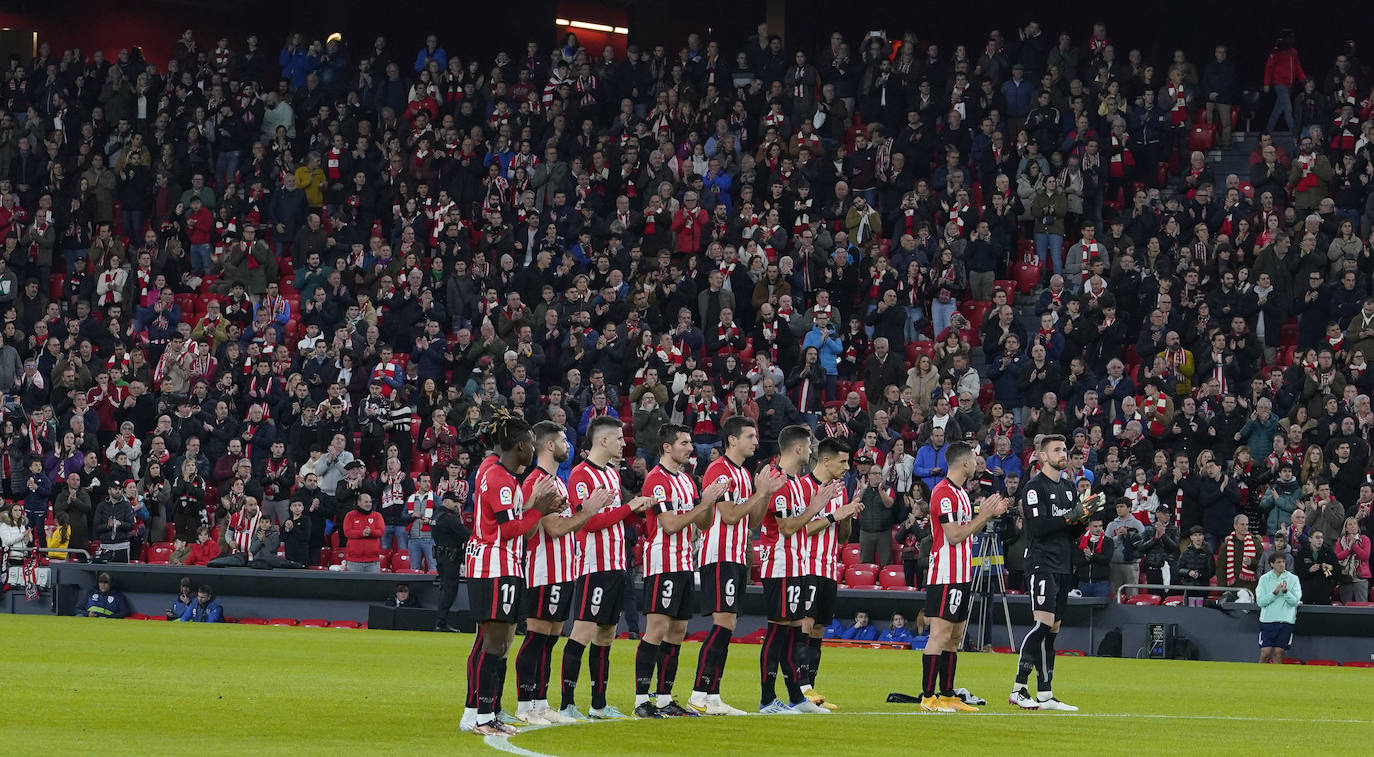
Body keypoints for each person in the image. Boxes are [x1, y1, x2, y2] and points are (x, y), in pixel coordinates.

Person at [462, 409, 561, 736]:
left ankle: (478, 711)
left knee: (492, 642)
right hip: (496, 563)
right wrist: (538, 509)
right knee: (496, 643)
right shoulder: (501, 479)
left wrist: (533, 506)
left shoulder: (491, 468)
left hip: (495, 562)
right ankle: (483, 717)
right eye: (531, 445)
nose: (534, 450)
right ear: (519, 446)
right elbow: (509, 529)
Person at [557, 415, 652, 722]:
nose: (625, 443)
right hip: (592, 565)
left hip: (615, 563)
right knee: (583, 631)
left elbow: (612, 517)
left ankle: (598, 704)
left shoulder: (611, 474)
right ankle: (567, 704)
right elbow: (591, 521)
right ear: (603, 440)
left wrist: (633, 511)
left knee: (607, 634)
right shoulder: (581, 475)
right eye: (620, 439)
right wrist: (630, 507)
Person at [632, 424, 728, 718]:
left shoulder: (686, 480)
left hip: (686, 562)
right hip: (663, 562)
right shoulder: (657, 480)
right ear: (667, 447)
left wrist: (709, 502)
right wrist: (704, 503)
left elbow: (702, 523)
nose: (690, 447)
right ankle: (641, 700)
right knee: (657, 629)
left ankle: (663, 698)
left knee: (678, 630)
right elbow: (670, 525)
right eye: (684, 443)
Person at [689, 415, 782, 716]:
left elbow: (751, 521)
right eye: (750, 436)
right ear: (732, 440)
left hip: (737, 555)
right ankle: (699, 693)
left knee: (728, 625)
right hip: (719, 554)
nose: (756, 441)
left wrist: (765, 493)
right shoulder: (719, 470)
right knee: (723, 623)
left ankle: (712, 694)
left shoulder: (743, 473)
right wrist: (760, 493)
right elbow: (729, 516)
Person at [513, 421, 600, 724]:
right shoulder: (537, 483)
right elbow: (556, 528)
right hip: (543, 571)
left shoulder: (557, 481)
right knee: (537, 638)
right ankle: (525, 706)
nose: (568, 445)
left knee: (550, 640)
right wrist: (587, 512)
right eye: (563, 440)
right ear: (550, 446)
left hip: (563, 572)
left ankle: (540, 702)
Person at [1010, 434, 1103, 711]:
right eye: (1057, 450)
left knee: (1052, 630)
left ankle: (1046, 694)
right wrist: (1070, 517)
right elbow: (1038, 527)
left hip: (1063, 564)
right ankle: (1018, 687)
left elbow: (1072, 531)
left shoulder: (1067, 486)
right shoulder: (1034, 487)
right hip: (1042, 563)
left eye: (1064, 449)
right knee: (1042, 624)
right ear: (1042, 456)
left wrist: (1084, 517)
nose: (1063, 454)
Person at [919, 441, 1008, 713]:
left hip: (961, 573)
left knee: (956, 635)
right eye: (973, 458)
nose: (977, 463)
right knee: (940, 634)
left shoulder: (959, 494)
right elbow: (954, 535)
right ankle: (927, 697)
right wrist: (986, 516)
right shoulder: (943, 493)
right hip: (945, 573)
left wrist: (985, 513)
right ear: (964, 463)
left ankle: (947, 694)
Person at [757, 424, 837, 714]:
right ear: (798, 448)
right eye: (810, 444)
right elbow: (787, 527)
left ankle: (796, 698)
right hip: (779, 565)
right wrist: (816, 507)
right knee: (778, 633)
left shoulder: (799, 482)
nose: (812, 448)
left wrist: (814, 505)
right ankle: (767, 699)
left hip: (797, 566)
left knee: (792, 634)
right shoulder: (778, 480)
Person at [794, 438, 864, 712]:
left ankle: (811, 688)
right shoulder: (802, 488)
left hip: (828, 567)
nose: (847, 467)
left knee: (820, 629)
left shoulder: (840, 491)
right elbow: (800, 529)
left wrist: (846, 516)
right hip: (805, 565)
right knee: (805, 624)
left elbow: (842, 538)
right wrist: (836, 515)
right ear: (825, 460)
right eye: (843, 461)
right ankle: (799, 689)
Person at [431, 493, 470, 633]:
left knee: (445, 589)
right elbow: (465, 533)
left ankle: (441, 621)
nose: (457, 505)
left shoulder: (436, 515)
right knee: (450, 591)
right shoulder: (449, 517)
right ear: (447, 502)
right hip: (450, 557)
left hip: (440, 556)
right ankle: (441, 622)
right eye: (455, 502)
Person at [1256, 553, 1301, 663]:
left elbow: (1295, 602)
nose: (1282, 565)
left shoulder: (1293, 579)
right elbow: (1260, 602)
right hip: (1268, 620)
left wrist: (1285, 592)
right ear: (1271, 564)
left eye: (1283, 562)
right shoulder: (1264, 579)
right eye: (1278, 562)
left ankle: (1276, 678)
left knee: (1279, 652)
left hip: (1285, 620)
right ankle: (1257, 675)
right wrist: (1274, 593)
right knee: (1265, 652)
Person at [1105, 499, 1145, 599]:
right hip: (1115, 564)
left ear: (1129, 508)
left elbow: (1143, 542)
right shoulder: (1112, 525)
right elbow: (1106, 544)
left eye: (1122, 506)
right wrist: (1117, 537)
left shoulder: (1137, 524)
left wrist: (1130, 536)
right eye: (1117, 507)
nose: (1119, 509)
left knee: (1132, 595)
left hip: (1131, 565)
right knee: (1115, 595)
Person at [341, 492, 384, 573]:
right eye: (366, 502)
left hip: (373, 562)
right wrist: (362, 533)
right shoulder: (350, 515)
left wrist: (370, 532)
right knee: (354, 586)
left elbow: (381, 531)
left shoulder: (377, 515)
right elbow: (347, 532)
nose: (369, 504)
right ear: (359, 503)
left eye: (370, 502)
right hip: (354, 561)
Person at [1072, 517, 1114, 598]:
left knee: (1101, 609)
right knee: (1084, 609)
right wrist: (1087, 559)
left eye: (1100, 526)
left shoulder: (1108, 541)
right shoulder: (1080, 542)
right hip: (1083, 582)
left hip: (1101, 583)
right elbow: (1076, 561)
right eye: (1095, 526)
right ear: (1089, 526)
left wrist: (1091, 555)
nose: (1099, 529)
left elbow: (1106, 559)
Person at [1294, 529, 1339, 605]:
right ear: (1310, 539)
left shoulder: (1329, 553)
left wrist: (1330, 569)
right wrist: (1309, 570)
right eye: (1317, 537)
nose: (1320, 540)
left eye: (1321, 537)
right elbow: (1298, 572)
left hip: (1324, 593)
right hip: (1306, 593)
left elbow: (1337, 572)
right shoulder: (1302, 553)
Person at [1333, 517, 1371, 604]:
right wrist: (1348, 549)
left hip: (1360, 577)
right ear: (1346, 528)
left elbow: (1365, 556)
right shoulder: (1340, 541)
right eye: (1350, 524)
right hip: (1345, 576)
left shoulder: (1365, 539)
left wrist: (1354, 545)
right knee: (1346, 605)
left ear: (1358, 527)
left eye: (1355, 524)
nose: (1353, 526)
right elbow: (1337, 557)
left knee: (1362, 605)